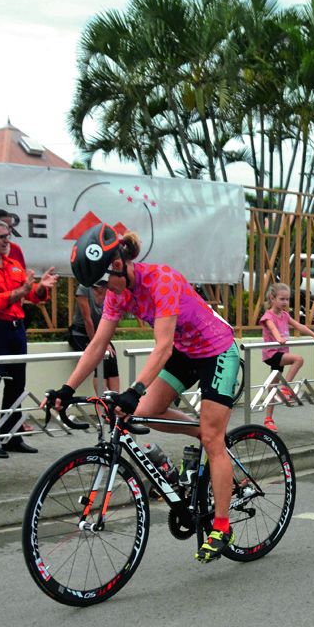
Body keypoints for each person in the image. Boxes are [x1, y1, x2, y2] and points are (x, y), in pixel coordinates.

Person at [48, 223, 243, 563]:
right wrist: (66, 389)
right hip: (186, 352)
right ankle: (203, 433)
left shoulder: (160, 280)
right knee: (143, 413)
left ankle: (222, 526)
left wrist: (134, 389)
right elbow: (97, 344)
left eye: (102, 283)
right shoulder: (118, 292)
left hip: (217, 351)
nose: (101, 292)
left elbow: (162, 346)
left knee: (213, 438)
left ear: (118, 265)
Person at [0, 215, 55, 457]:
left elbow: (32, 295)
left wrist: (41, 288)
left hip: (16, 329)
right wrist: (21, 291)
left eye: (8, 236)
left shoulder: (13, 263)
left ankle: (12, 436)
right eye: (2, 237)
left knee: (17, 385)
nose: (7, 241)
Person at [259, 281, 314, 431]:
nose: (285, 302)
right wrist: (278, 338)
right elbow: (272, 328)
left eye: (287, 299)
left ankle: (268, 419)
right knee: (298, 359)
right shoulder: (268, 316)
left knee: (272, 387)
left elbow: (299, 326)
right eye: (282, 299)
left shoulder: (285, 315)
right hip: (272, 353)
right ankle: (285, 388)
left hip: (281, 353)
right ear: (272, 298)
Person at [68, 280, 121, 397]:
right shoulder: (84, 288)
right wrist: (98, 344)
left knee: (111, 356)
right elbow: (87, 320)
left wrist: (105, 342)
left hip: (99, 333)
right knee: (100, 358)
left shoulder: (110, 292)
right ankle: (102, 402)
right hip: (80, 334)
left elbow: (111, 320)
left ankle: (116, 401)